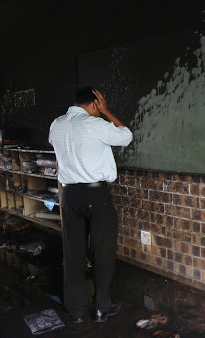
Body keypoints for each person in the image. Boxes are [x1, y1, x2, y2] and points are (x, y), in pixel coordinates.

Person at [49, 87, 133, 323]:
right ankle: (101, 307)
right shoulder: (95, 124)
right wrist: (106, 111)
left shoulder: (57, 124)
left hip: (68, 196)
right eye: (100, 105)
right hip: (96, 196)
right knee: (103, 251)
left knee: (73, 254)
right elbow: (127, 136)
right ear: (95, 103)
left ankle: (76, 311)